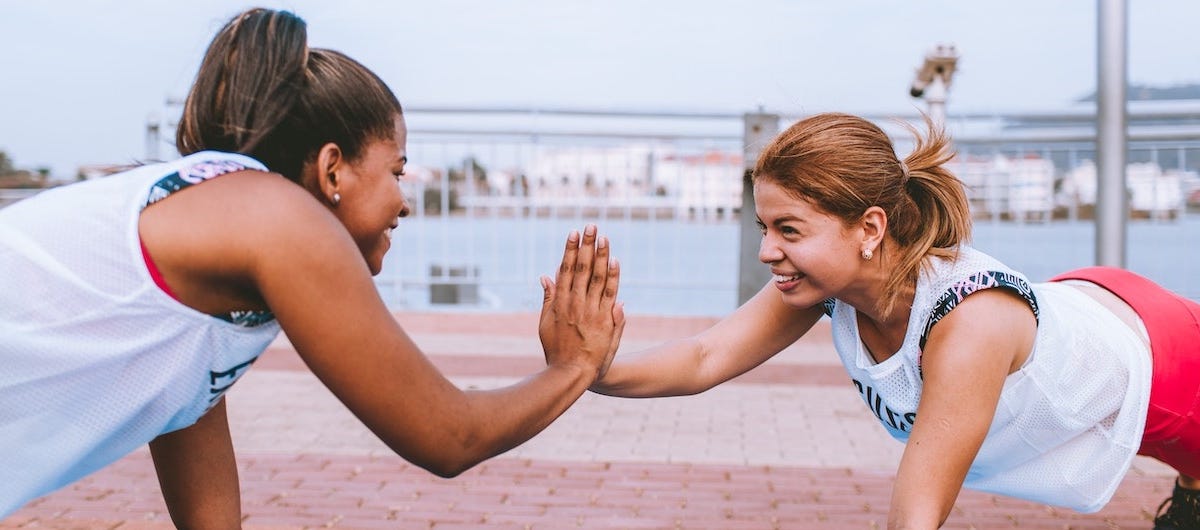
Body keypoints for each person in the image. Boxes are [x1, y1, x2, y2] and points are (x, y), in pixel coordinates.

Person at [0, 8, 625, 527]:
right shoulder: (277, 220)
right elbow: (448, 437)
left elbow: (187, 416)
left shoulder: (217, 246)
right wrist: (575, 365)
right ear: (332, 171)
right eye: (397, 170)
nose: (405, 201)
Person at [590, 112, 1200, 529]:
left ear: (871, 228)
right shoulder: (824, 284)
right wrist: (589, 369)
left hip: (1162, 363)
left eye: (789, 230)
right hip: (1083, 305)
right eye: (764, 227)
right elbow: (705, 357)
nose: (766, 251)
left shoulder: (970, 326)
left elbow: (918, 512)